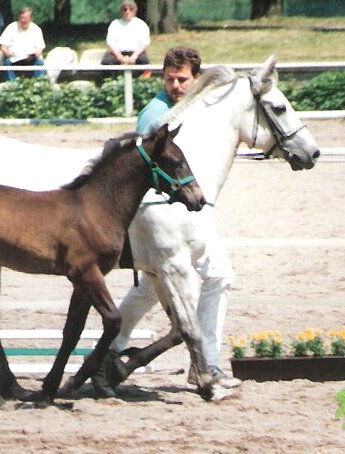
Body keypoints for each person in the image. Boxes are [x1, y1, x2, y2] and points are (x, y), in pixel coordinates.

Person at [94, 47, 241, 394]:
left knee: (153, 286)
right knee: (214, 276)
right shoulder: (156, 114)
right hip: (163, 218)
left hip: (185, 213)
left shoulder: (194, 108)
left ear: (196, 79)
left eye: (182, 79)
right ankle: (206, 363)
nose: (175, 85)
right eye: (170, 79)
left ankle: (112, 350)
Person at [0, 7, 46, 81]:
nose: (23, 20)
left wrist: (34, 55)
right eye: (21, 18)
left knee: (40, 63)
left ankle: (37, 84)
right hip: (13, 59)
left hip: (30, 59)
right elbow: (2, 46)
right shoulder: (11, 27)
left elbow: (40, 48)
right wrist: (7, 53)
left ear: (31, 18)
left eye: (25, 18)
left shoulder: (36, 30)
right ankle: (12, 85)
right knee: (7, 63)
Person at [102, 1, 150, 68]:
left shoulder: (141, 24)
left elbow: (144, 44)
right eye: (125, 9)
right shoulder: (115, 24)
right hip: (117, 54)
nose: (127, 12)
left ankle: (138, 75)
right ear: (121, 11)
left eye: (131, 9)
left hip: (135, 54)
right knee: (107, 62)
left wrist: (134, 56)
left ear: (135, 11)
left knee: (144, 61)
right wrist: (119, 57)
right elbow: (110, 44)